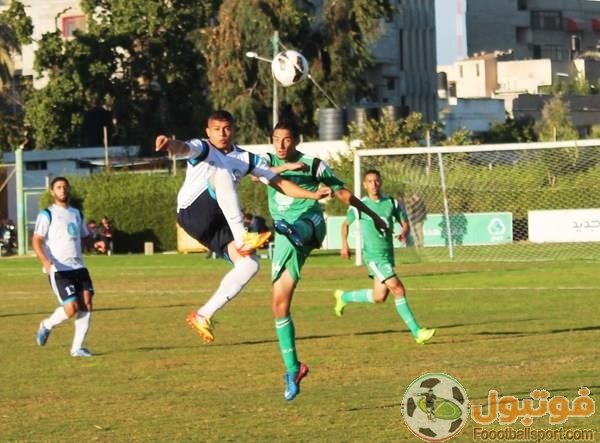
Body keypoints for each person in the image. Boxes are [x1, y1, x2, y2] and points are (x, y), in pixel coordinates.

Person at [155, 110, 330, 343]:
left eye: (227, 128)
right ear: (208, 132)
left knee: (249, 264)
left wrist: (312, 195)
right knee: (222, 173)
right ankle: (242, 238)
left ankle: (203, 315)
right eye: (216, 129)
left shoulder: (246, 158)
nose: (222, 134)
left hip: (217, 222)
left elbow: (278, 182)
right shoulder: (203, 147)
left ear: (234, 129)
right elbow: (183, 148)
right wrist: (169, 144)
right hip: (192, 211)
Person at [264, 120, 389, 401]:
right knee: (279, 305)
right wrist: (286, 168)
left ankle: (297, 230)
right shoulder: (267, 162)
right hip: (285, 239)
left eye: (286, 140)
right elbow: (256, 175)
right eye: (276, 139)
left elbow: (342, 193)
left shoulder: (314, 165)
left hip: (310, 222)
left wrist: (373, 214)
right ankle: (293, 368)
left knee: (303, 222)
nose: (281, 145)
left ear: (297, 140)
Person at [335, 169, 436, 345]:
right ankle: (417, 332)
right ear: (364, 184)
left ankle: (343, 297)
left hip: (387, 255)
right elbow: (345, 225)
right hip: (374, 257)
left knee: (379, 297)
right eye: (369, 181)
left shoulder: (391, 203)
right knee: (398, 289)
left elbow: (404, 222)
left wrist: (404, 232)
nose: (373, 185)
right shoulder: (359, 205)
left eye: (376, 181)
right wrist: (344, 244)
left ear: (380, 182)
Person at [32, 177, 95, 357]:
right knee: (71, 308)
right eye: (58, 187)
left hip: (79, 266)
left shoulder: (76, 213)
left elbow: (85, 236)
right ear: (52, 192)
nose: (62, 190)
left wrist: (95, 242)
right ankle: (46, 325)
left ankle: (77, 348)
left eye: (65, 187)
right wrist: (45, 260)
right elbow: (36, 240)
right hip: (59, 269)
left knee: (87, 304)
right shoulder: (47, 214)